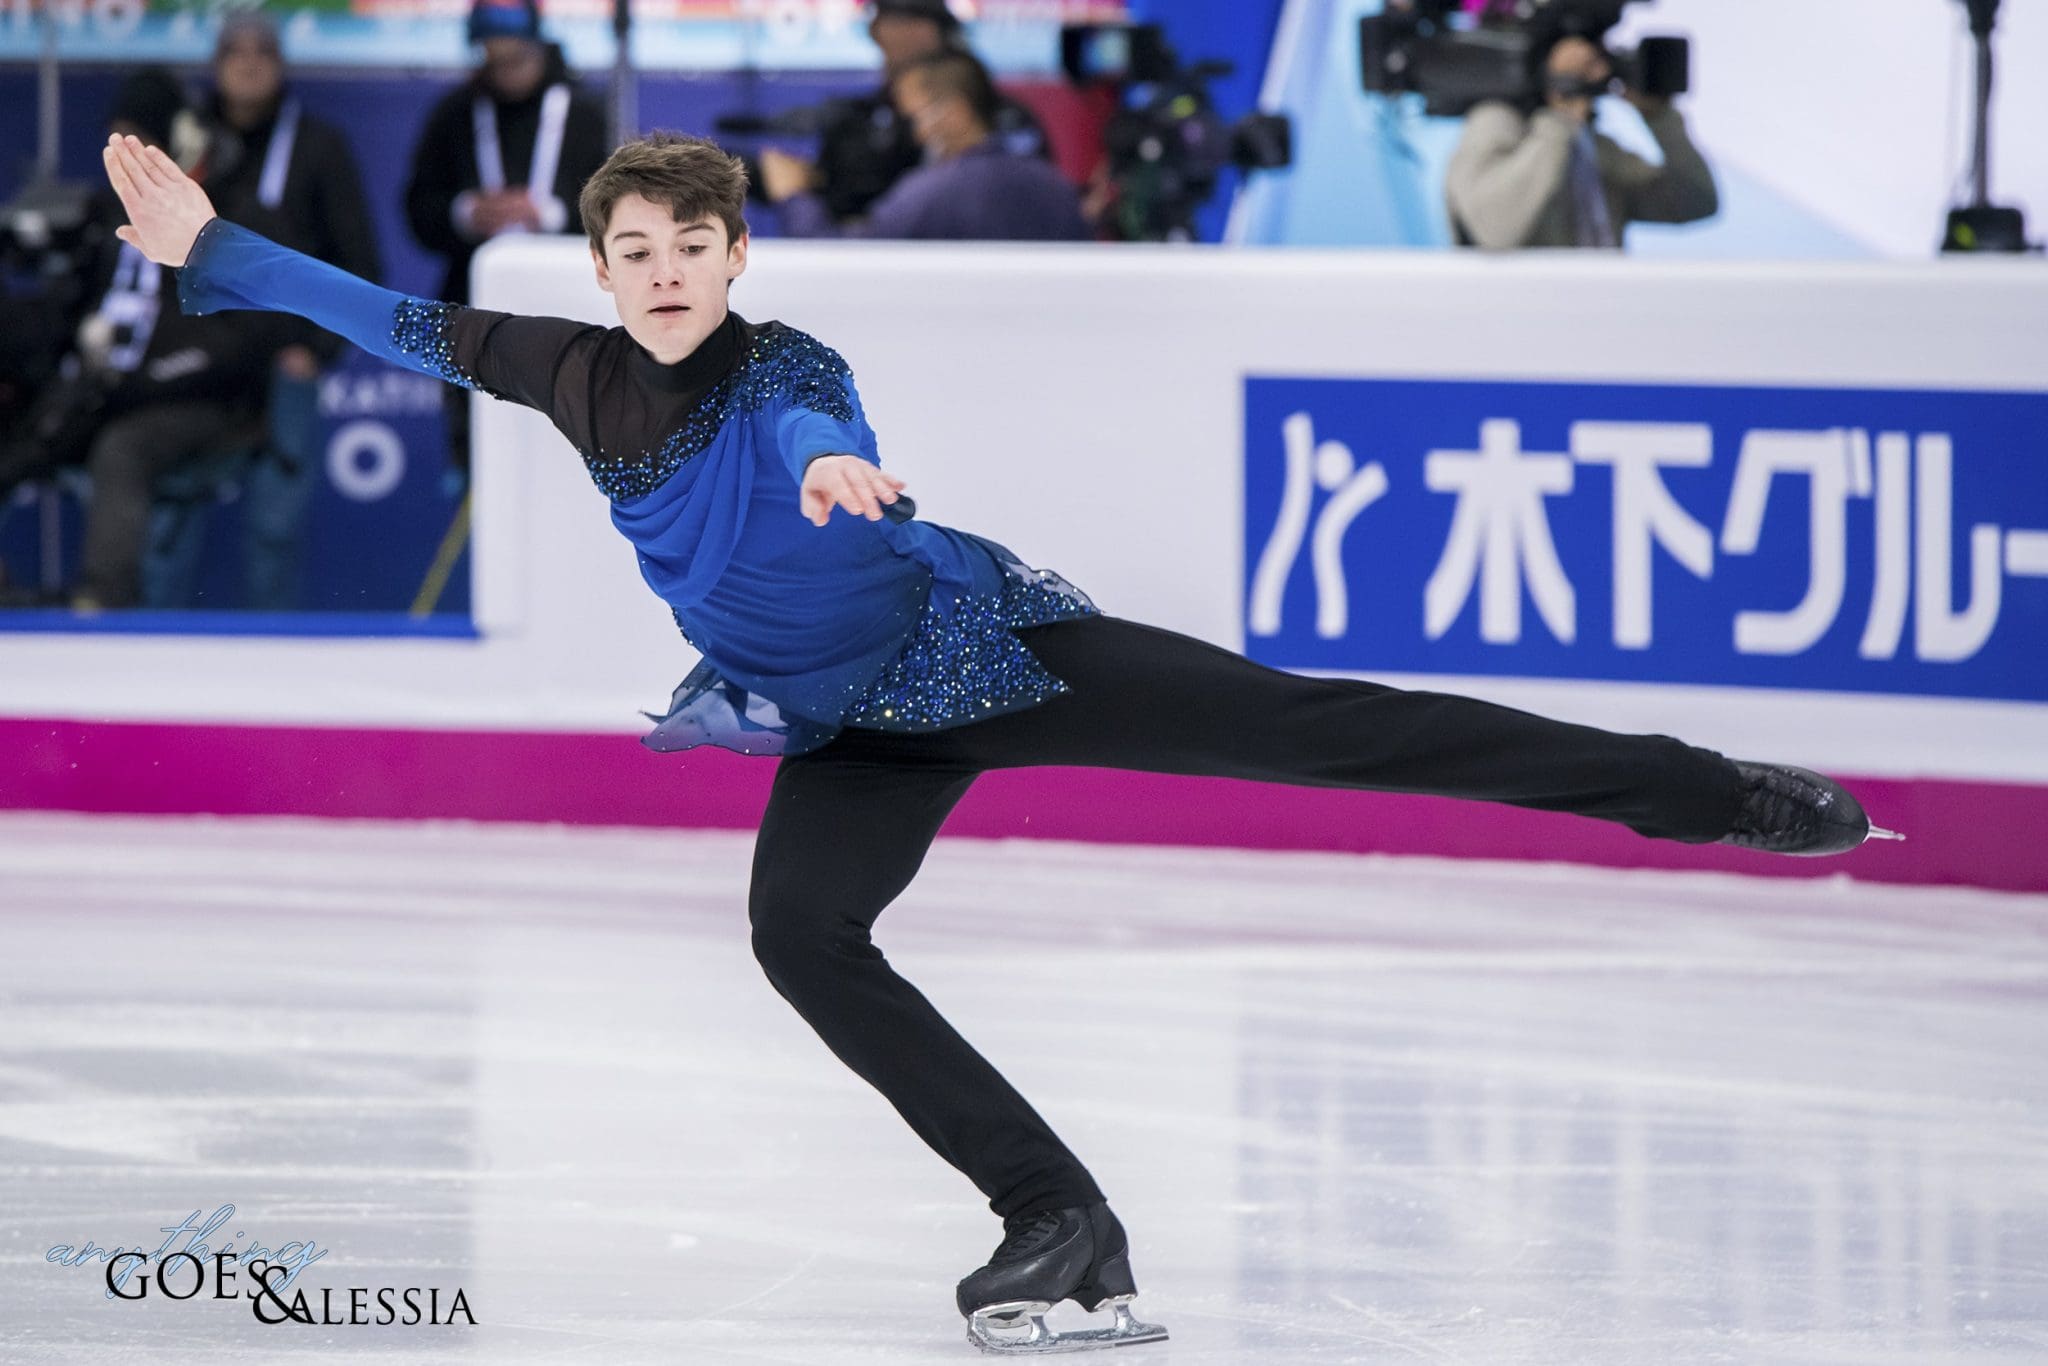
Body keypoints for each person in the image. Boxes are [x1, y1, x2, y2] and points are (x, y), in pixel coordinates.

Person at [104, 127, 1895, 1353]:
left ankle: (1708, 795)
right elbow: (395, 319)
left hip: (988, 652)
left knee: (1330, 730)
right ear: (602, 264)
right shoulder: (563, 368)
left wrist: (837, 470)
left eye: (691, 248)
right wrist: (214, 253)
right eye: (633, 251)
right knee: (800, 932)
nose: (661, 273)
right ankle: (1057, 1218)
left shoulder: (785, 366)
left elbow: (818, 422)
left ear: (736, 255)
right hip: (839, 725)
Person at [0, 70, 282, 612]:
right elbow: (64, 315)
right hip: (102, 390)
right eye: (120, 145)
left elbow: (245, 340)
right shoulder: (106, 217)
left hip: (201, 398)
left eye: (142, 143)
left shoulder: (231, 214)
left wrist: (139, 379)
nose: (130, 162)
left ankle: (105, 603)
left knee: (121, 446)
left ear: (180, 139)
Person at [150, 10, 384, 610]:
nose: (250, 62)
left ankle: (272, 654)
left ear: (282, 65)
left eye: (264, 51)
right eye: (237, 50)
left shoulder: (318, 145)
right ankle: (153, 654)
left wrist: (318, 350)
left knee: (275, 528)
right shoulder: (184, 145)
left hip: (283, 359)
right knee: (168, 518)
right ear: (215, 64)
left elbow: (360, 262)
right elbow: (147, 255)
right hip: (194, 359)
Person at [403, 0, 608, 481]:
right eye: (493, 61)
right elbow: (418, 207)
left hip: (570, 313)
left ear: (538, 47)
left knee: (563, 467)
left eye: (516, 59)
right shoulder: (455, 113)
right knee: (480, 464)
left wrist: (551, 214)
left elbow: (622, 210)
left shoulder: (586, 114)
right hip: (472, 315)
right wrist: (466, 212)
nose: (506, 72)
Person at [759, 0, 1049, 228]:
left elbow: (853, 252)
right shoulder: (870, 117)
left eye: (887, 20)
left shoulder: (1004, 130)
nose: (875, 32)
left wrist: (794, 198)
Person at [765, 50, 1091, 241]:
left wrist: (794, 196)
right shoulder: (1055, 187)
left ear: (955, 113)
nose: (915, 135)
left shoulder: (933, 193)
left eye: (914, 119)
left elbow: (840, 259)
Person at [1444, 32, 1717, 249]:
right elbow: (1494, 229)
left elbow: (1695, 202)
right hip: (1517, 303)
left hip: (1600, 302)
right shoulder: (1494, 123)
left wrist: (1659, 117)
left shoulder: (1590, 145)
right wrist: (1560, 118)